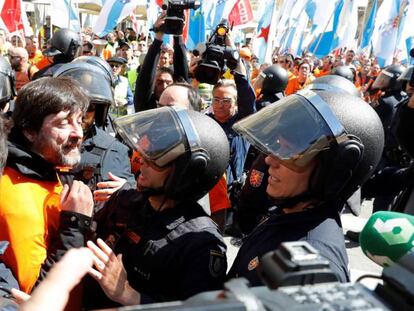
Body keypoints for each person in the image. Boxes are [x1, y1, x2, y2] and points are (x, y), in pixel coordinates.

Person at [228, 89, 384, 285]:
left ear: (334, 170)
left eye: (289, 152)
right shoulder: (289, 216)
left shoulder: (311, 268)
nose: (269, 159)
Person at [83, 107, 229, 308]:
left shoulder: (199, 244)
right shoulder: (127, 199)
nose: (142, 161)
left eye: (156, 159)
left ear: (186, 173)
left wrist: (127, 294)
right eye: (145, 153)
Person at [0, 77, 94, 297]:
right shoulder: (13, 195)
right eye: (64, 123)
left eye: (80, 121)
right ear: (30, 131)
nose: (78, 133)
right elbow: (35, 296)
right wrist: (75, 223)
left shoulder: (52, 170)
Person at [53, 61, 136, 209]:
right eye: (74, 106)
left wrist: (126, 190)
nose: (81, 114)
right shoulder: (44, 142)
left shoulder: (113, 149)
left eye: (89, 108)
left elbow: (130, 202)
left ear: (98, 110)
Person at [134, 12, 188, 112]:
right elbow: (146, 76)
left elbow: (182, 76)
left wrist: (178, 34)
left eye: (168, 82)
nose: (164, 86)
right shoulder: (145, 104)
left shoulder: (180, 106)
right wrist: (158, 37)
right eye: (159, 82)